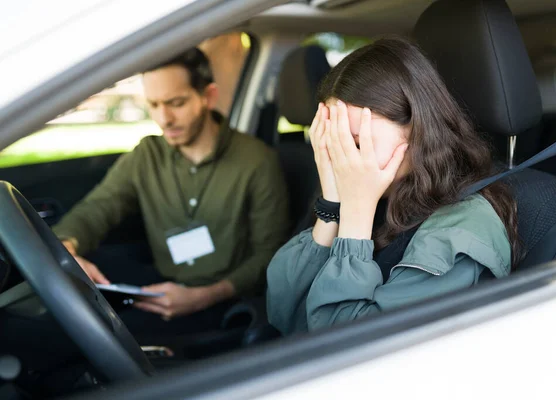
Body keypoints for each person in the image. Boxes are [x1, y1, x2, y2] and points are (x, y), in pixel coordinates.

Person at [266, 38, 519, 335]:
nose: (342, 155)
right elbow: (285, 312)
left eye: (356, 141)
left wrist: (356, 215)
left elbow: (344, 346)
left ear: (416, 126)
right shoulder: (377, 192)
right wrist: (333, 205)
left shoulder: (462, 230)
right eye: (334, 139)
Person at [53, 48, 290, 335]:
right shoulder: (147, 155)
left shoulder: (257, 161)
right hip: (162, 284)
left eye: (176, 103)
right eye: (153, 104)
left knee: (109, 335)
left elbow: (270, 255)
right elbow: (99, 207)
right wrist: (67, 249)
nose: (163, 118)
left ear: (208, 96)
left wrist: (204, 296)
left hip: (225, 300)